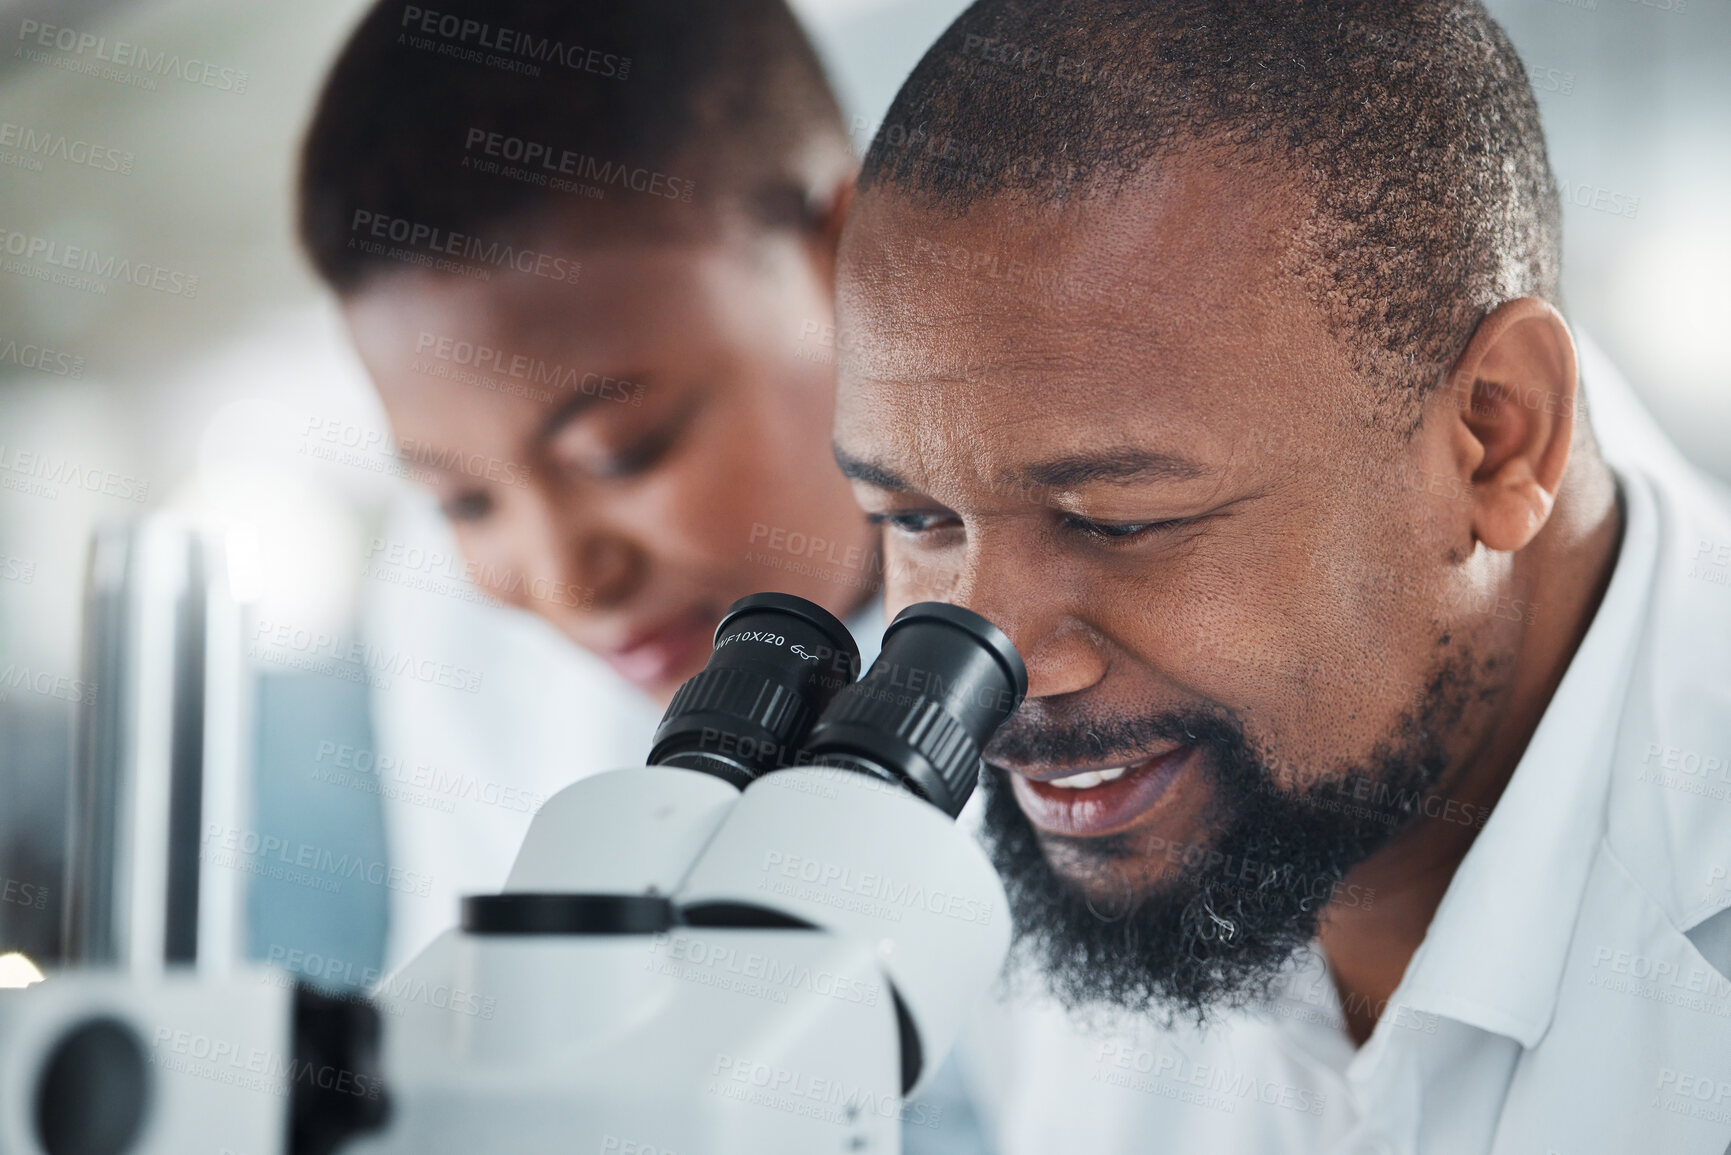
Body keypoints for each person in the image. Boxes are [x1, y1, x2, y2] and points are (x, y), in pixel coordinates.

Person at [833, 1, 1731, 1151]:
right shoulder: (1055, 882)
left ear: (1494, 442)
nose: (997, 666)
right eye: (914, 517)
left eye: (1116, 520)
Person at [296, 0, 883, 965]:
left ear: (849, 256)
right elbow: (468, 1032)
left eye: (621, 450)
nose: (568, 580)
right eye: (463, 502)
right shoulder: (448, 618)